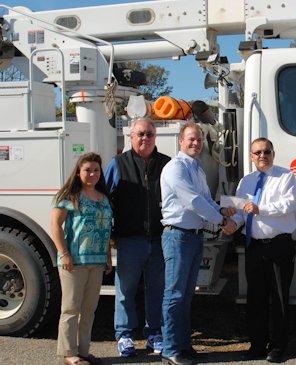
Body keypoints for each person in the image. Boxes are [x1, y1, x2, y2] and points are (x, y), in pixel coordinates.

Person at [160, 122, 236, 365]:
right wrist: (222, 220)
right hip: (178, 236)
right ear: (180, 141)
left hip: (193, 236)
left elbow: (205, 200)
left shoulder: (198, 169)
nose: (195, 143)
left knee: (186, 296)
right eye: (191, 139)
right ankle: (170, 349)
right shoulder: (175, 168)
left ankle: (183, 345)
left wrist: (221, 209)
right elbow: (192, 201)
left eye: (199, 139)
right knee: (174, 295)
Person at [229, 137, 296, 363]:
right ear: (251, 156)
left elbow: (289, 205)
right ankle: (257, 344)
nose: (262, 156)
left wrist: (261, 209)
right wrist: (232, 223)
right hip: (254, 247)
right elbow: (241, 211)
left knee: (279, 298)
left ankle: (277, 347)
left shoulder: (285, 176)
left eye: (266, 151)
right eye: (257, 152)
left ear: (273, 153)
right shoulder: (245, 181)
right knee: (255, 298)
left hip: (279, 245)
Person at [105, 118, 171, 357]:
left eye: (150, 135)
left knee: (157, 290)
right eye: (141, 134)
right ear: (131, 137)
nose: (145, 139)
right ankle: (124, 335)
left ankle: (154, 334)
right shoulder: (118, 164)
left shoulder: (167, 164)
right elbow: (104, 200)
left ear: (155, 138)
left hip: (159, 239)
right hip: (129, 239)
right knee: (125, 291)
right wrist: (110, 233)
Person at [51, 152, 113, 365]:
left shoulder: (104, 198)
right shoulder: (69, 197)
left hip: (96, 263)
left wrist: (107, 258)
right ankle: (69, 353)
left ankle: (83, 350)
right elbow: (55, 226)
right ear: (78, 172)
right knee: (70, 308)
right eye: (87, 170)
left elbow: (104, 230)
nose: (92, 174)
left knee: (88, 309)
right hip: (74, 262)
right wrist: (64, 253)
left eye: (96, 170)